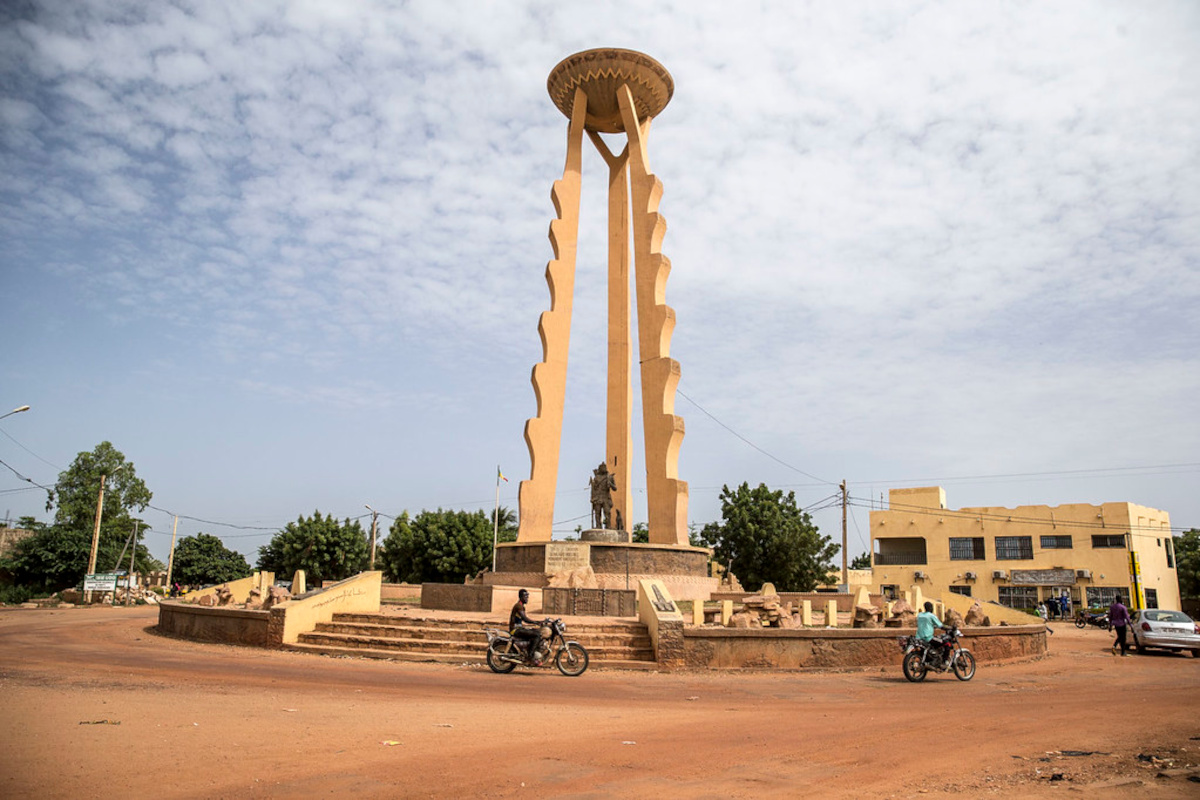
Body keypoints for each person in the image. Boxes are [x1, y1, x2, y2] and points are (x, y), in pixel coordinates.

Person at [509, 589, 544, 663]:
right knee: (537, 635)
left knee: (536, 631)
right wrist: (536, 622)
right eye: (525, 596)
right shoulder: (518, 606)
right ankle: (530, 656)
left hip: (519, 628)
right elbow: (525, 619)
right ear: (521, 597)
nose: (527, 598)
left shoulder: (521, 606)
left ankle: (531, 651)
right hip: (515, 630)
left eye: (527, 596)